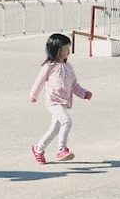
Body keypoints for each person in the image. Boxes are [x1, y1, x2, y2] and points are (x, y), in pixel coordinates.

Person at [28, 33, 92, 164]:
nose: (69, 51)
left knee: (55, 129)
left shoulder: (68, 67)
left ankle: (38, 149)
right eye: (66, 48)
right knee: (67, 121)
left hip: (63, 103)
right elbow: (39, 82)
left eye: (69, 47)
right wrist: (33, 96)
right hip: (54, 102)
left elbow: (74, 85)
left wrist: (84, 93)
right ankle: (62, 149)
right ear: (57, 49)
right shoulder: (49, 66)